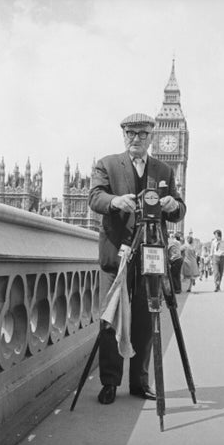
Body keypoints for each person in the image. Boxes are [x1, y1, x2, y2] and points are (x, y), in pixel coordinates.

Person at [89, 112, 186, 405]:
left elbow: (180, 210)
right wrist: (115, 201)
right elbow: (94, 197)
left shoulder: (163, 170)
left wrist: (172, 204)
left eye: (143, 134)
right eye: (131, 134)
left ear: (151, 137)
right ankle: (109, 382)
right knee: (111, 318)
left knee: (146, 320)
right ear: (124, 136)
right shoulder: (106, 164)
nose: (136, 139)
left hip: (151, 256)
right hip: (115, 254)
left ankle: (140, 382)